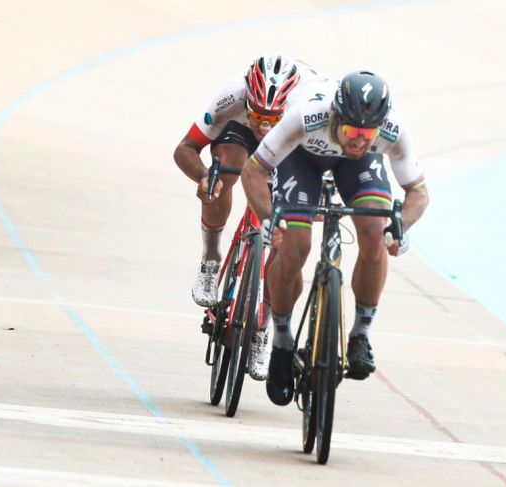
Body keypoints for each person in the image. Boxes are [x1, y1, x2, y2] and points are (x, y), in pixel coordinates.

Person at [240, 71, 429, 405]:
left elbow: (417, 192)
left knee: (374, 232)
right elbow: (252, 170)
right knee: (295, 246)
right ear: (336, 116)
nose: (358, 140)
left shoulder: (392, 129)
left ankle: (361, 334)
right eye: (351, 131)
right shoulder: (305, 116)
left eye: (367, 134)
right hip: (301, 160)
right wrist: (269, 217)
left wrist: (401, 226)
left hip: (356, 169)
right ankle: (282, 341)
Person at [173, 54, 318, 380]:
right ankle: (211, 259)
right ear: (248, 100)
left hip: (293, 136)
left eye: (271, 118)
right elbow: (184, 148)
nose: (264, 126)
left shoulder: (309, 103)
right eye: (259, 115)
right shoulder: (231, 97)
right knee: (221, 174)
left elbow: (323, 162)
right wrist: (203, 177)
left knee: (290, 238)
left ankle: (265, 324)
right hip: (237, 132)